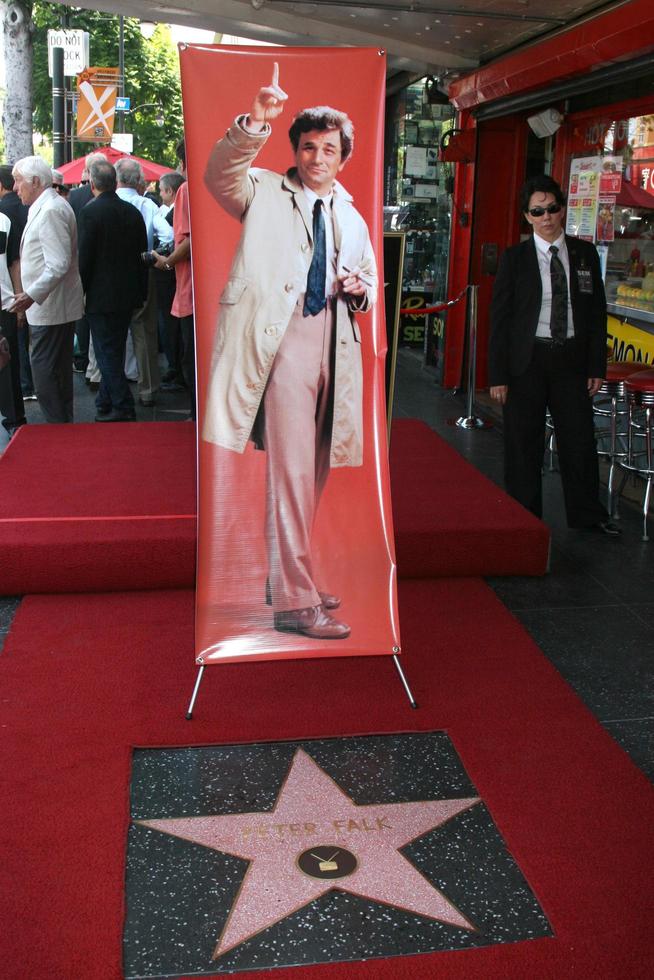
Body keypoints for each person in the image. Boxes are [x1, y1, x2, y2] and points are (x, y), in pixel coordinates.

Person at [202, 64, 377, 638]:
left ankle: (287, 579)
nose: (318, 157)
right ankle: (295, 601)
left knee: (315, 469)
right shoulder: (263, 191)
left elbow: (369, 280)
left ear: (343, 157)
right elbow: (219, 174)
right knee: (292, 473)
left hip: (337, 344)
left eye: (329, 149)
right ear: (295, 150)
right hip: (283, 345)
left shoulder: (350, 214)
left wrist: (361, 291)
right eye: (308, 146)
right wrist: (256, 121)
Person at [488, 174, 618, 535]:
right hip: (526, 363)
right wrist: (496, 375)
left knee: (579, 441)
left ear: (563, 210)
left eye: (552, 208)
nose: (546, 217)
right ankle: (524, 518)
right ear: (527, 216)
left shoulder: (584, 254)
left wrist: (596, 365)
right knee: (522, 442)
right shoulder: (515, 259)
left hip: (571, 361)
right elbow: (499, 321)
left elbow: (596, 314)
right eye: (537, 211)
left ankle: (587, 515)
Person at [10, 156, 84, 423]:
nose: (15, 187)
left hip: (51, 307)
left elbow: (58, 263)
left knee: (46, 374)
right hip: (53, 306)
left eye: (18, 181)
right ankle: (62, 427)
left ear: (36, 182)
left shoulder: (51, 209)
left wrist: (31, 295)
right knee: (55, 373)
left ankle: (58, 430)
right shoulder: (48, 205)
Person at [77, 158, 148, 422]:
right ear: (114, 183)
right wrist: (142, 292)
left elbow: (85, 258)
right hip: (127, 294)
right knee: (113, 349)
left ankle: (122, 404)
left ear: (93, 183)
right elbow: (142, 255)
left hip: (100, 295)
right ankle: (105, 400)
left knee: (106, 351)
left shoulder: (90, 212)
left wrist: (80, 292)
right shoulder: (132, 212)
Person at [116, 158, 173, 407]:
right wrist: (155, 253)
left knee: (113, 332)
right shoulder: (146, 205)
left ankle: (112, 387)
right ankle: (148, 388)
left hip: (112, 273)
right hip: (142, 268)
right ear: (139, 181)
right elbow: (168, 235)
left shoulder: (103, 203)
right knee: (144, 332)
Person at [153, 143, 194, 417]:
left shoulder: (187, 191)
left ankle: (196, 414)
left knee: (192, 357)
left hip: (191, 289)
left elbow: (188, 241)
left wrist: (166, 261)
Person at [69, 152, 107, 374]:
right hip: (105, 268)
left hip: (82, 261)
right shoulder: (113, 197)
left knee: (83, 315)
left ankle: (83, 359)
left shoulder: (74, 197)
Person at [0, 165, 33, 402]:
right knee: (16, 348)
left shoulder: (4, 217)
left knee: (12, 351)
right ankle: (23, 390)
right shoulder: (25, 209)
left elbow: (13, 262)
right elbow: (15, 262)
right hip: (13, 296)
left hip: (9, 298)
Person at [153, 170, 186, 392]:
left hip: (174, 278)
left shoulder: (172, 215)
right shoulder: (169, 212)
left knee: (172, 325)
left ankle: (177, 369)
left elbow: (184, 244)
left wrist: (166, 262)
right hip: (178, 277)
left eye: (162, 191)